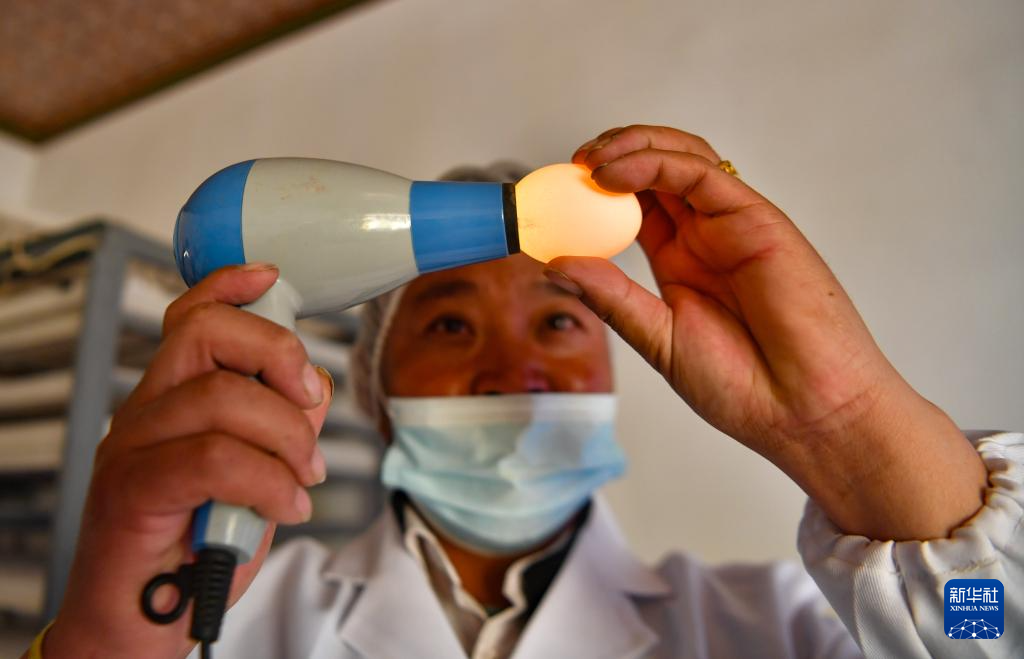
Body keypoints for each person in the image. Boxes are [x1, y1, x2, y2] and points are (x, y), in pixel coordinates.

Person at [26, 125, 1023, 659]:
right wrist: (106, 647)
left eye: (558, 320)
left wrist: (849, 426)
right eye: (449, 325)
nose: (515, 367)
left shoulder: (782, 627)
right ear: (374, 390)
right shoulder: (221, 624)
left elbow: (988, 634)